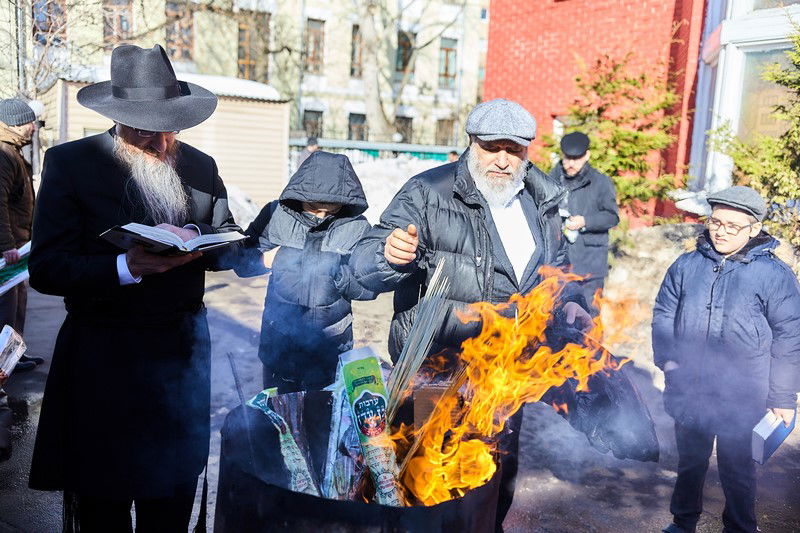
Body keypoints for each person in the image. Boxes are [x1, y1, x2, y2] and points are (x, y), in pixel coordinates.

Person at [351, 98, 592, 532]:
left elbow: (557, 271)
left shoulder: (542, 199)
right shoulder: (427, 192)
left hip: (507, 374)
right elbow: (367, 259)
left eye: (513, 150)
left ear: (527, 152)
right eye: (491, 147)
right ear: (470, 143)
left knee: (495, 477)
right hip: (438, 371)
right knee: (430, 483)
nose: (502, 160)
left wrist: (571, 300)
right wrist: (387, 255)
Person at [27, 44, 240, 532]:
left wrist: (214, 244)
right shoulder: (70, 164)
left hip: (180, 355)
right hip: (103, 359)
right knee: (103, 503)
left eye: (168, 126)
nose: (159, 142)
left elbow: (227, 241)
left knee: (171, 497)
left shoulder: (200, 167)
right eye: (144, 128)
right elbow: (48, 268)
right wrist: (126, 265)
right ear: (117, 117)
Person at [653, 186, 800, 533]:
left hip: (744, 392)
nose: (721, 231)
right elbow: (663, 314)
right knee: (690, 462)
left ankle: (740, 527)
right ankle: (682, 521)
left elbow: (790, 336)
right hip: (689, 385)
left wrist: (782, 396)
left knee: (737, 467)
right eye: (716, 222)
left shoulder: (774, 275)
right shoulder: (687, 265)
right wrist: (669, 361)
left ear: (754, 228)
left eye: (733, 226)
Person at [234, 151, 375, 392]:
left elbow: (368, 286)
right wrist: (264, 259)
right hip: (279, 339)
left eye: (330, 211)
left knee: (320, 419)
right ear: (299, 195)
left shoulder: (357, 228)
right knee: (280, 419)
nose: (320, 217)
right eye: (313, 208)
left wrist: (339, 274)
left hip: (330, 344)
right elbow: (240, 263)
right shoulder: (274, 214)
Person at [549, 131, 619, 310]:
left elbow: (612, 216)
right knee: (555, 318)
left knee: (590, 318)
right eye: (567, 158)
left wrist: (585, 221)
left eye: (577, 158)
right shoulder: (550, 179)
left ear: (587, 155)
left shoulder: (601, 182)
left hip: (589, 266)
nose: (571, 163)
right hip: (557, 265)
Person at [0, 98, 44, 372]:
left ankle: (13, 356)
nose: (34, 128)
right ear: (15, 124)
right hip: (9, 249)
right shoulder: (3, 154)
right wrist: (5, 245)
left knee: (16, 304)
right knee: (7, 307)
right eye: (30, 122)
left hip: (18, 245)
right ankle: (4, 362)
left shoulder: (12, 152)